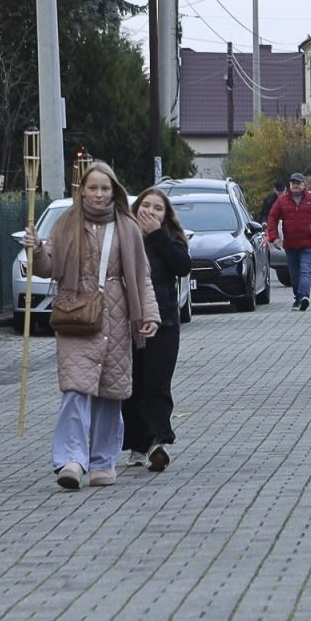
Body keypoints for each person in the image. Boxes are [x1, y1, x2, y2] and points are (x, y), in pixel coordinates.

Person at [22, 161, 160, 491]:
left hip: (115, 316)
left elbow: (142, 277)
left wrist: (150, 315)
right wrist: (37, 250)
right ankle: (70, 460)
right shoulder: (67, 224)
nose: (98, 194)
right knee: (75, 390)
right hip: (75, 316)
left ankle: (102, 461)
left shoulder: (127, 227)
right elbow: (48, 267)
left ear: (114, 191)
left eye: (105, 188)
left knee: (110, 394)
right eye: (93, 188)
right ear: (82, 190)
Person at [121, 187, 191, 472]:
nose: (150, 211)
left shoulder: (170, 239)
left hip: (165, 323)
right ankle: (138, 444)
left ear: (166, 215)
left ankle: (159, 440)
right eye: (145, 206)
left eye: (158, 208)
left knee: (157, 383)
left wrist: (157, 236)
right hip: (127, 324)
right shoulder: (124, 237)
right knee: (133, 386)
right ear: (136, 209)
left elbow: (183, 266)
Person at [266, 172, 311, 311]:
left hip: (308, 244)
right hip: (290, 245)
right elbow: (272, 218)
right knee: (294, 275)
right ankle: (298, 298)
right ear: (290, 185)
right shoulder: (282, 201)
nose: (296, 186)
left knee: (305, 271)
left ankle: (304, 296)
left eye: (298, 183)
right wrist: (274, 237)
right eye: (293, 183)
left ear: (303, 185)